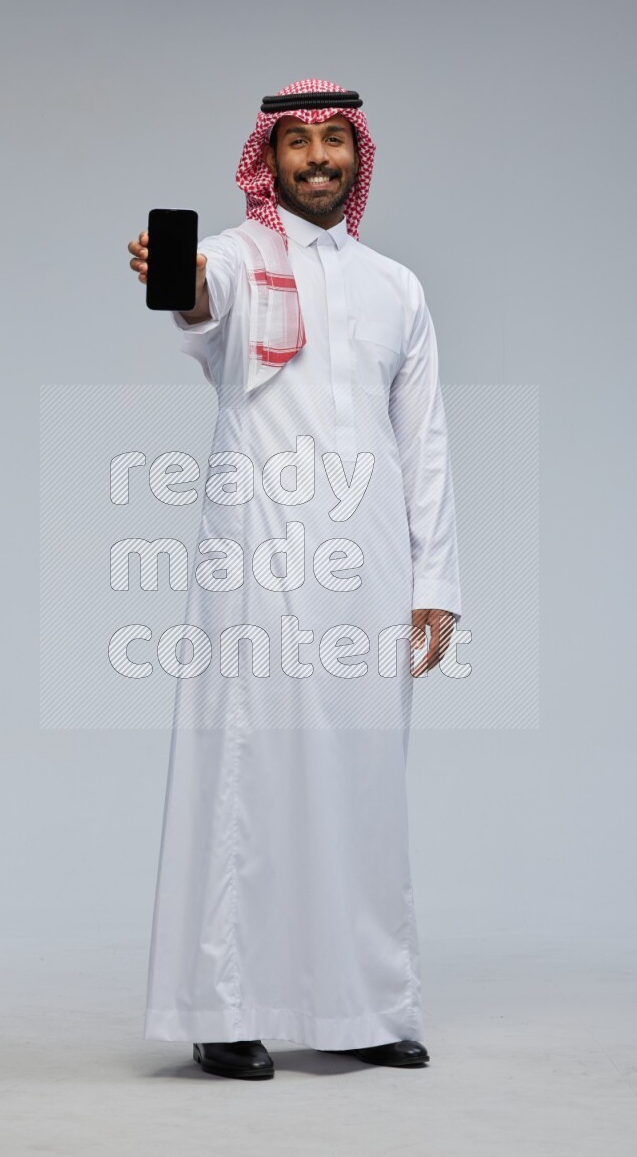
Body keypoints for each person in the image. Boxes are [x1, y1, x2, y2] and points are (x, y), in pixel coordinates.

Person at [127, 79, 462, 1081]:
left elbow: (426, 440)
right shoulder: (235, 258)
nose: (317, 158)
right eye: (297, 144)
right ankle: (220, 1004)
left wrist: (433, 580)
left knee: (361, 782)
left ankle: (361, 1003)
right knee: (247, 769)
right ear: (266, 161)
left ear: (357, 158)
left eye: (333, 143)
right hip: (258, 555)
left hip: (367, 564)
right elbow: (202, 301)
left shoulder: (396, 286)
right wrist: (175, 276)